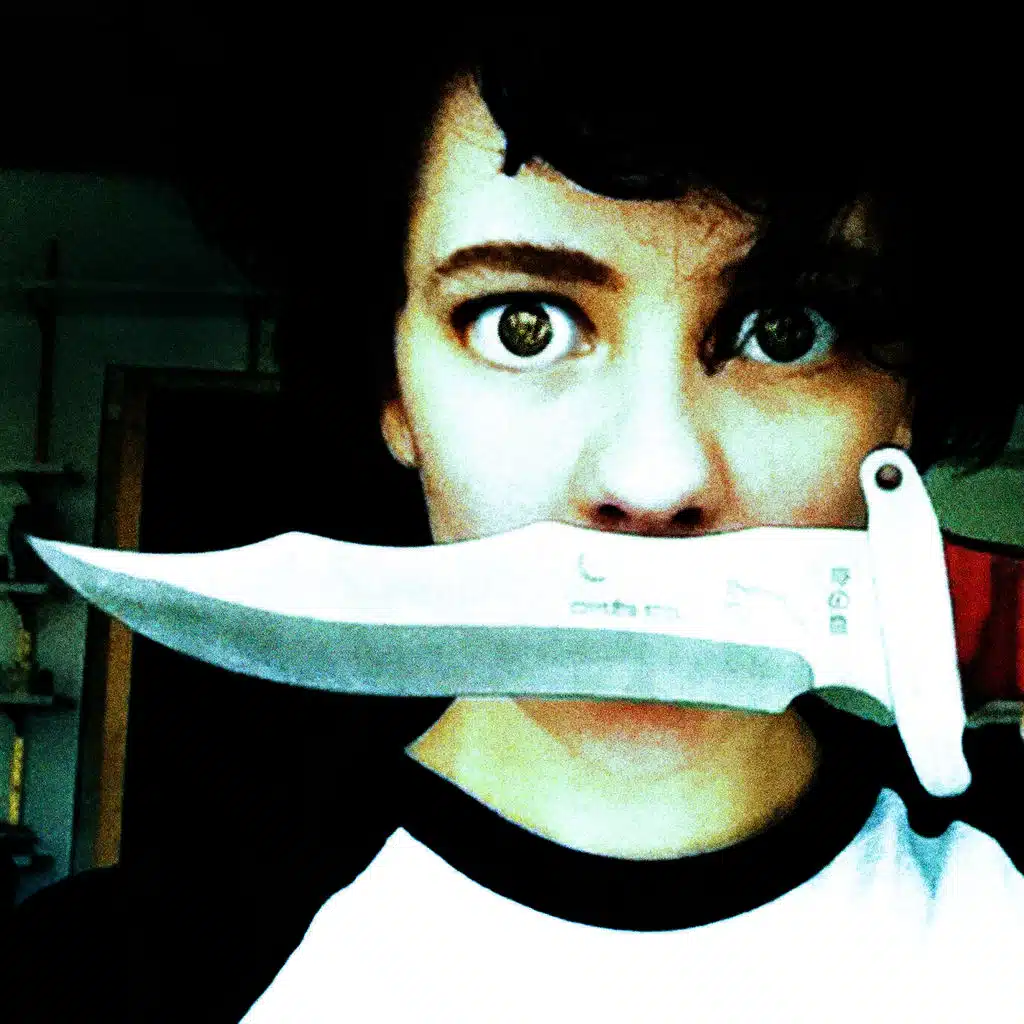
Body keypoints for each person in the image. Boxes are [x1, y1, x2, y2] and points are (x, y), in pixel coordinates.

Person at [5, 24, 1024, 1022]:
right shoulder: (103, 990)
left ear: (905, 401)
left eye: (786, 330)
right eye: (523, 325)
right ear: (394, 390)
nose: (653, 478)